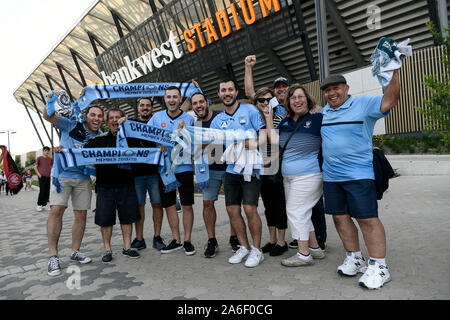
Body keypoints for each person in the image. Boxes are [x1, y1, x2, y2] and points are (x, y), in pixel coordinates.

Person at [320, 72, 400, 289]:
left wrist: (394, 73)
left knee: (367, 219)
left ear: (346, 88)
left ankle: (380, 267)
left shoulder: (363, 104)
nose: (331, 93)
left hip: (359, 175)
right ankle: (355, 258)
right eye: (327, 90)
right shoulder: (323, 113)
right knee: (340, 218)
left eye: (336, 88)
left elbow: (390, 100)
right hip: (331, 177)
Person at [244, 54, 326, 250]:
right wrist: (248, 68)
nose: (281, 90)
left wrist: (315, 107)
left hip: (296, 166)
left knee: (305, 206)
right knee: (284, 206)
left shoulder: (293, 112)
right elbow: (250, 93)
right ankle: (308, 243)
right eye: (277, 87)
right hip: (275, 166)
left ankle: (315, 242)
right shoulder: (272, 111)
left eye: (284, 87)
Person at [267, 84, 325, 267]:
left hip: (309, 174)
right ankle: (315, 249)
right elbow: (275, 141)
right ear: (288, 102)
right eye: (293, 98)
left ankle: (303, 254)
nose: (297, 100)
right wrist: (269, 117)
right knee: (303, 212)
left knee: (295, 211)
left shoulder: (318, 118)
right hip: (289, 177)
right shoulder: (285, 122)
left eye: (301, 97)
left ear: (307, 99)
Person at [43, 101, 104, 276]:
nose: (96, 118)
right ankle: (53, 256)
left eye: (99, 116)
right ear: (86, 116)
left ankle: (75, 251)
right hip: (62, 175)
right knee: (56, 211)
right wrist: (50, 100)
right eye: (93, 115)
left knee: (81, 215)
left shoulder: (99, 136)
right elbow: (48, 116)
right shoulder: (71, 124)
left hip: (83, 178)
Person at [210, 78, 265, 267]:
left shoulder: (250, 111)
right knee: (232, 210)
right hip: (231, 170)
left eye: (230, 89)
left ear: (236, 92)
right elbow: (215, 149)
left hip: (251, 168)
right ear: (219, 94)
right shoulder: (217, 120)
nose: (227, 93)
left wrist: (254, 143)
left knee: (250, 209)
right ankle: (244, 247)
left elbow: (265, 135)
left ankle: (257, 250)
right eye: (223, 90)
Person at [84, 108, 141, 262]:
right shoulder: (98, 141)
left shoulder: (131, 139)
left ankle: (127, 247)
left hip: (126, 185)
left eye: (118, 118)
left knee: (127, 218)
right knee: (105, 219)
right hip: (105, 186)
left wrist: (128, 124)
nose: (115, 121)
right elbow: (81, 153)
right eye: (112, 118)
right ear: (107, 121)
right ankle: (107, 250)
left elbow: (145, 147)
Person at [147, 86, 196, 256]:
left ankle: (188, 240)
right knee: (169, 205)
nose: (172, 100)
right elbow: (147, 138)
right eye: (169, 97)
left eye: (175, 97)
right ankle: (176, 239)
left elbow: (194, 143)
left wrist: (184, 134)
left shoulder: (188, 120)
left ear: (180, 98)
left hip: (185, 166)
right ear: (165, 98)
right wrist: (157, 145)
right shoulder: (156, 117)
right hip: (165, 169)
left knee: (187, 204)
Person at [190, 91, 240, 258]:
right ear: (192, 107)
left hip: (230, 167)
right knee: (207, 204)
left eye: (201, 102)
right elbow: (194, 149)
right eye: (195, 104)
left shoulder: (221, 116)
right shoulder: (195, 125)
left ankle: (235, 237)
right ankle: (212, 240)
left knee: (232, 205)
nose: (199, 106)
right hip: (210, 171)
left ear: (207, 102)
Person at [127, 98, 166, 251]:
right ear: (138, 108)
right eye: (142, 105)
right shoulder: (130, 124)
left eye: (148, 106)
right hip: (137, 174)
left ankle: (157, 237)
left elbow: (167, 139)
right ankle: (140, 238)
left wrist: (162, 146)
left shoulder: (157, 125)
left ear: (152, 108)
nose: (145, 108)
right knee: (140, 206)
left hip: (154, 173)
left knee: (157, 204)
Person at [253, 87, 288, 256]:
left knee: (279, 204)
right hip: (261, 168)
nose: (265, 103)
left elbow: (278, 144)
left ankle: (282, 242)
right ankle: (272, 240)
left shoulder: (279, 118)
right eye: (261, 100)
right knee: (268, 206)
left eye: (268, 99)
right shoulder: (253, 119)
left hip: (275, 167)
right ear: (256, 103)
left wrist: (269, 118)